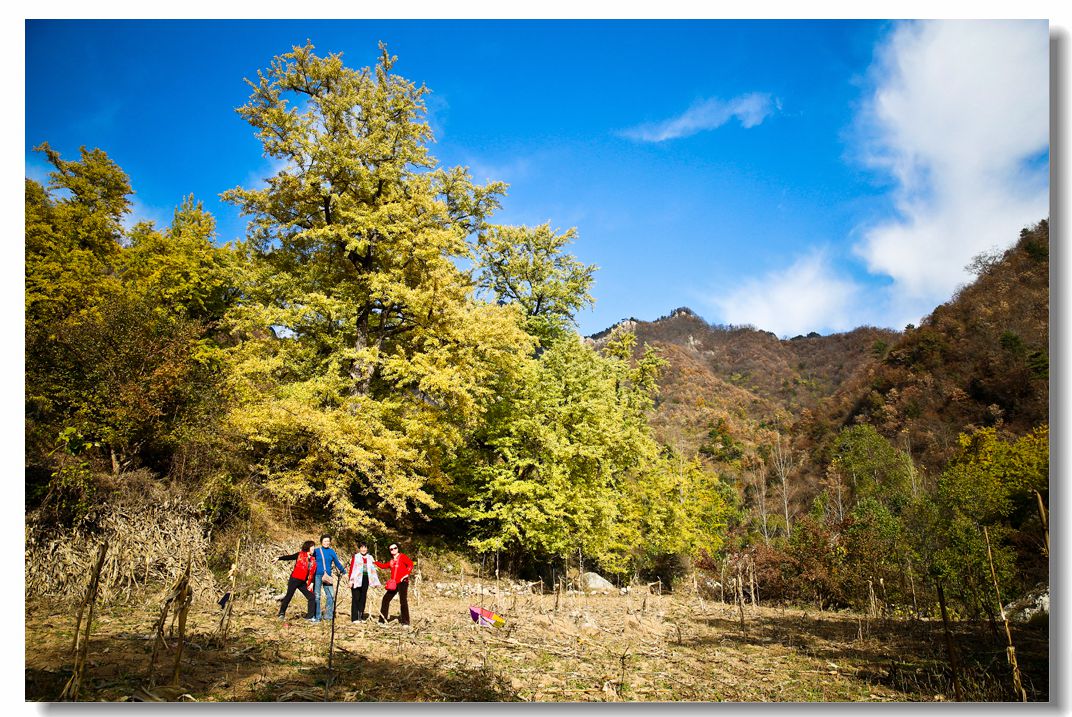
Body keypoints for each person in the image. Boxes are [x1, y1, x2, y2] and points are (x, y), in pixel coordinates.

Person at [374, 543, 414, 626]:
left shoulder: (402, 556)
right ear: (390, 551)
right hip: (394, 583)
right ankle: (382, 620)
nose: (393, 550)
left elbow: (410, 564)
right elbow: (384, 566)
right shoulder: (392, 561)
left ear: (398, 548)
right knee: (385, 599)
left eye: (395, 548)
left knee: (403, 601)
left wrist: (406, 574)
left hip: (403, 582)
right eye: (391, 549)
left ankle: (405, 622)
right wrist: (375, 562)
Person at [277, 540, 317, 621]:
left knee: (311, 597)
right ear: (308, 547)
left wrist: (312, 582)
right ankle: (281, 613)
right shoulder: (300, 554)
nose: (313, 548)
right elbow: (289, 557)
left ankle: (310, 617)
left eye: (314, 547)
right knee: (289, 596)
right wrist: (278, 558)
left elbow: (313, 572)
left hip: (302, 582)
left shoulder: (313, 559)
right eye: (312, 546)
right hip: (294, 579)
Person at [312, 534, 346, 621]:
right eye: (325, 541)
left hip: (328, 576)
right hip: (317, 575)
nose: (326, 543)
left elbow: (337, 563)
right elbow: (307, 558)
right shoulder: (316, 551)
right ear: (321, 542)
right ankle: (317, 616)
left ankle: (328, 616)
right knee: (317, 596)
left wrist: (344, 572)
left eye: (328, 541)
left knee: (331, 595)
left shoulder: (332, 552)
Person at [347, 542, 380, 622]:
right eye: (361, 547)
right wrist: (350, 580)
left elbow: (373, 570)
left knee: (363, 597)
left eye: (365, 547)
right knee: (356, 597)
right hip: (356, 579)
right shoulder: (356, 557)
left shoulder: (370, 557)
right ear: (359, 548)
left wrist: (375, 582)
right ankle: (354, 618)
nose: (363, 549)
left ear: (367, 549)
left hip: (366, 579)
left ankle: (360, 616)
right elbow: (352, 569)